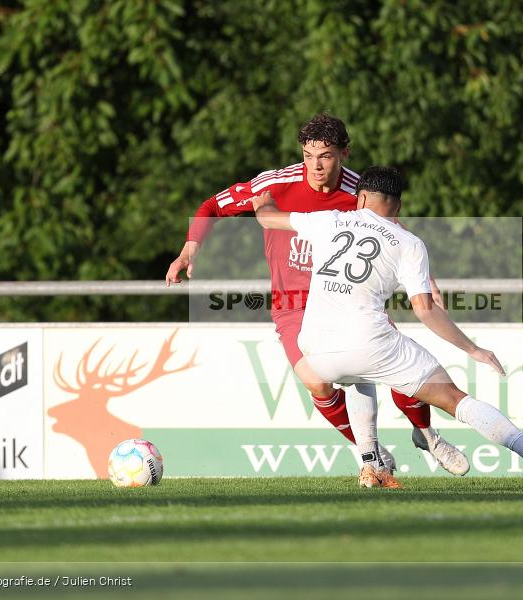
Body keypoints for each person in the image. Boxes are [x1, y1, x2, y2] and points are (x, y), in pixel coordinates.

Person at [165, 114, 469, 478]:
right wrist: (189, 250)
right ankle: (365, 451)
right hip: (293, 305)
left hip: (352, 298)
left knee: (398, 372)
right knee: (317, 382)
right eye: (308, 155)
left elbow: (397, 237)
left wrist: (429, 282)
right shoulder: (276, 184)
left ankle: (428, 436)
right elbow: (211, 206)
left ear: (344, 152)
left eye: (324, 155)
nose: (315, 166)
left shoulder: (360, 192)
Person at [251, 166, 523, 488]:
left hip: (316, 351)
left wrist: (262, 200)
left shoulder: (330, 219)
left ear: (361, 197)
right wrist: (473, 349)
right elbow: (425, 310)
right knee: (456, 399)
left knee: (355, 378)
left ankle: (371, 462)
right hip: (371, 345)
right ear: (397, 204)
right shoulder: (408, 242)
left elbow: (267, 218)